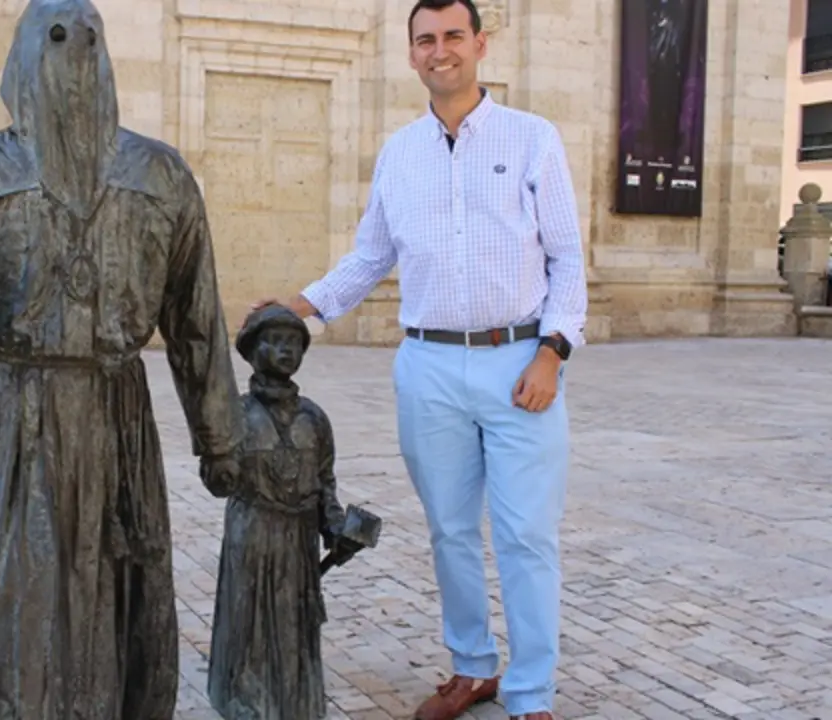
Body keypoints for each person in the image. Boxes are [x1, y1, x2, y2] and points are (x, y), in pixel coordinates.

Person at [0, 0, 243, 717]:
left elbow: (195, 317)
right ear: (23, 56)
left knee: (121, 579)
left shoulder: (161, 174)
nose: (73, 55)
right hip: (20, 417)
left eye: (88, 39)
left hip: (119, 414)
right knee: (23, 586)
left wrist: (221, 440)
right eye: (53, 39)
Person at [250, 1, 587, 719]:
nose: (441, 51)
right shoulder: (400, 154)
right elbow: (371, 257)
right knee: (451, 529)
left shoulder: (533, 140)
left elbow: (566, 258)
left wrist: (553, 353)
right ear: (411, 55)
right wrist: (300, 305)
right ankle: (472, 668)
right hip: (428, 367)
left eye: (453, 36)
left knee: (527, 535)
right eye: (426, 40)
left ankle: (531, 695)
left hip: (519, 360)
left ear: (479, 45)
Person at [205, 304, 346, 720]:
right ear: (251, 350)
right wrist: (216, 454)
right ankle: (244, 705)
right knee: (248, 625)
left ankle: (295, 705)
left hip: (298, 543)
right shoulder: (235, 412)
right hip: (252, 536)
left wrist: (337, 529)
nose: (285, 351)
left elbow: (325, 483)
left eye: (293, 343)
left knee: (292, 628)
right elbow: (217, 484)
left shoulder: (314, 419)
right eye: (274, 341)